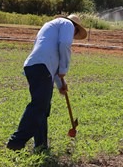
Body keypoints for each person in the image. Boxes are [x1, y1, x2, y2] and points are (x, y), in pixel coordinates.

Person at [6, 14, 87, 152]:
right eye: (76, 33)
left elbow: (50, 59)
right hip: (42, 67)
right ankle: (16, 142)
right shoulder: (67, 24)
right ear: (75, 27)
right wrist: (64, 68)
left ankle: (41, 145)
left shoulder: (50, 26)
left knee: (42, 108)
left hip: (34, 66)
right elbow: (65, 45)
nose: (73, 36)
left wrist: (61, 85)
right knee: (38, 106)